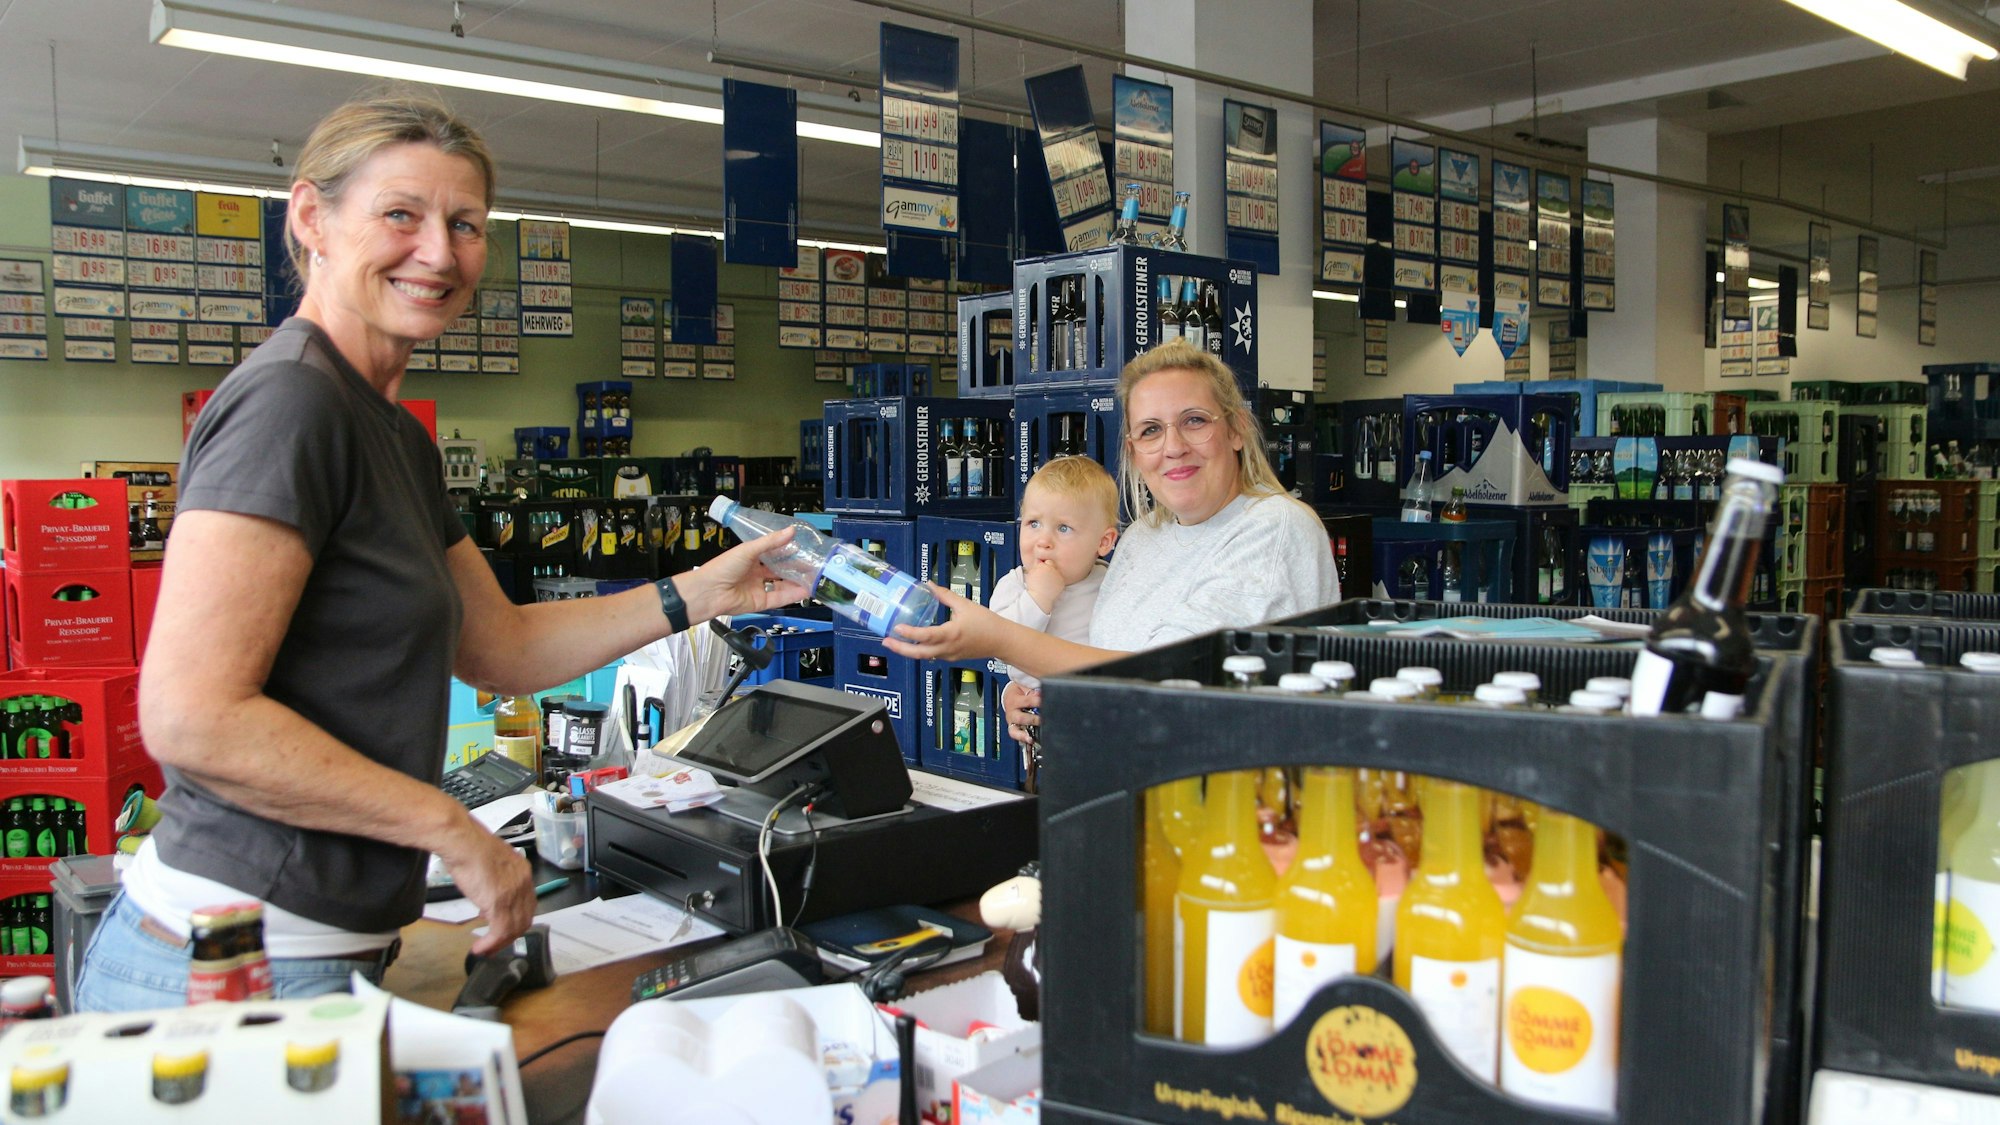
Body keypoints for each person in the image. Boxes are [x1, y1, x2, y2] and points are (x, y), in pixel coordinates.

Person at [73, 91, 806, 1012]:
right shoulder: (292, 406)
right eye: (400, 215)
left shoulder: (392, 433)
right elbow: (193, 717)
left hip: (312, 954)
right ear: (311, 219)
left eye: (465, 224)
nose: (438, 252)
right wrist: (449, 828)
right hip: (228, 968)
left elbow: (500, 646)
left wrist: (700, 592)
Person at [886, 339, 1340, 740]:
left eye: (1195, 420)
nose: (1173, 447)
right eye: (1151, 430)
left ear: (1236, 428)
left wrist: (1000, 639)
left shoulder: (1275, 528)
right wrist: (1026, 691)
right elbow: (1090, 651)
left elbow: (1171, 684)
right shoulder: (1143, 537)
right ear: (1133, 451)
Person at [987, 456, 1120, 691]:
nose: (1043, 541)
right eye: (1034, 523)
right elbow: (998, 645)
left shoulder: (1110, 585)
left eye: (1063, 528)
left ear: (1103, 542)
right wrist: (1037, 598)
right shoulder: (1015, 585)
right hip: (1036, 703)